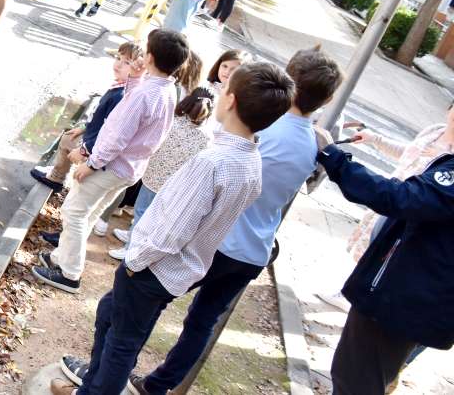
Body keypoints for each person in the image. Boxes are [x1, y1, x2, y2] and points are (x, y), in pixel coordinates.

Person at [51, 62, 294, 395]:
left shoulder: (213, 163)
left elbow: (171, 232)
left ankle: (94, 389)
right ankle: (89, 386)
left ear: (231, 100)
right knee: (112, 317)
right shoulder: (251, 161)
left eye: (225, 90)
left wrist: (136, 261)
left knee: (121, 343)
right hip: (177, 271)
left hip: (152, 268)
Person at [126, 48, 341, 395]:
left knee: (146, 301)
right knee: (202, 322)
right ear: (326, 99)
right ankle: (157, 385)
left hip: (219, 242)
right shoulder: (312, 141)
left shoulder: (264, 131)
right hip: (254, 251)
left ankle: (113, 369)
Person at [31, 29, 188, 295]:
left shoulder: (145, 95)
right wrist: (137, 77)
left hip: (111, 164)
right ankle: (62, 258)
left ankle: (69, 272)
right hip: (130, 167)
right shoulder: (167, 89)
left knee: (75, 211)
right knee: (88, 212)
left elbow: (117, 135)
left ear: (149, 56)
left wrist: (91, 163)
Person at [315, 123, 454, 395]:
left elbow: (400, 197)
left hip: (402, 301)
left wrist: (336, 159)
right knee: (355, 379)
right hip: (410, 298)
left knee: (356, 383)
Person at [106, 86, 215, 261]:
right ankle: (133, 237)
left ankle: (130, 249)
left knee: (142, 212)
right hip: (175, 186)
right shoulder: (206, 138)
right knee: (153, 217)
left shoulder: (172, 122)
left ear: (187, 102)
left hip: (153, 177)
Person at [31, 42, 144, 196]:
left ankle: (56, 178)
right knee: (69, 136)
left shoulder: (121, 95)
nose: (118, 64)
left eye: (126, 62)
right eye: (118, 58)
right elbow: (100, 117)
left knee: (67, 141)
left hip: (96, 146)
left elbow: (109, 128)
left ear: (138, 69)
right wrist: (84, 127)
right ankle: (59, 173)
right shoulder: (119, 87)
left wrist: (86, 150)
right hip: (93, 136)